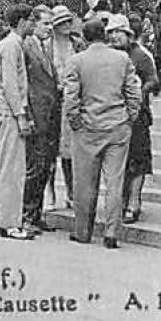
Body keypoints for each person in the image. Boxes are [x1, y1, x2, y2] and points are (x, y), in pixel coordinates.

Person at [62, 17, 141, 248]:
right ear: (105, 35)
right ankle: (111, 233)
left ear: (85, 38)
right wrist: (129, 118)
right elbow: (134, 93)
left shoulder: (76, 61)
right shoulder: (122, 58)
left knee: (84, 183)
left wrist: (75, 121)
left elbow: (70, 97)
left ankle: (83, 231)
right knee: (115, 182)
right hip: (117, 126)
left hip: (87, 127)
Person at [0, 5, 37, 240]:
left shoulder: (13, 45)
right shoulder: (10, 46)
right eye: (31, 20)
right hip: (7, 113)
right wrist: (21, 115)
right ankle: (10, 224)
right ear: (20, 22)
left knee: (11, 168)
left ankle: (5, 218)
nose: (34, 25)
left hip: (6, 111)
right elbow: (10, 85)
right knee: (12, 169)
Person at [109, 12, 159, 224]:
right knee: (118, 161)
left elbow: (153, 80)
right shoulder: (109, 55)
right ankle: (119, 201)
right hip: (115, 115)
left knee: (138, 160)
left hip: (137, 116)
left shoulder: (140, 56)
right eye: (111, 33)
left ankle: (134, 202)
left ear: (128, 34)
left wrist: (140, 91)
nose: (114, 36)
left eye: (119, 32)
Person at [22, 5, 62, 232]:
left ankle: (36, 215)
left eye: (51, 24)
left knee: (45, 166)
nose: (50, 28)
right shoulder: (26, 46)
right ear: (33, 22)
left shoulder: (44, 47)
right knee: (35, 168)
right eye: (46, 23)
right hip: (36, 116)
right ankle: (27, 215)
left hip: (49, 116)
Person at [48, 4, 81, 207]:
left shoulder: (77, 44)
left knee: (70, 152)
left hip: (71, 100)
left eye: (69, 21)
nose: (67, 25)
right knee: (51, 150)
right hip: (52, 101)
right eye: (62, 22)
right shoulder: (46, 45)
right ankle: (50, 192)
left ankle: (71, 192)